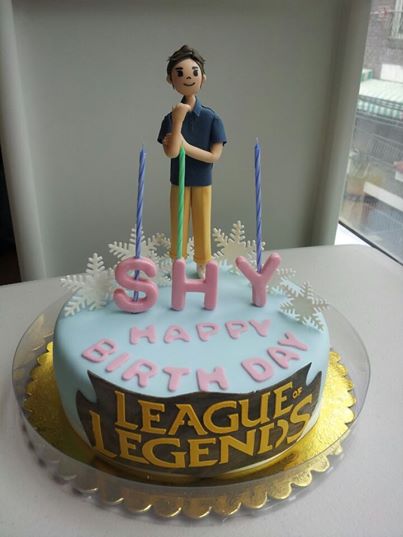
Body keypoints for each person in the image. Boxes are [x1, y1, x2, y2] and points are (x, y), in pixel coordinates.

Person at [158, 45, 227, 278]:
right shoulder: (170, 118)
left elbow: (215, 156)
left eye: (194, 72)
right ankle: (178, 259)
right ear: (171, 80)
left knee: (202, 221)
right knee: (178, 222)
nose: (188, 77)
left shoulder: (212, 118)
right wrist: (178, 121)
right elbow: (171, 153)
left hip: (202, 181)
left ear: (203, 78)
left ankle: (203, 261)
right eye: (180, 73)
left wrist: (186, 147)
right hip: (178, 181)